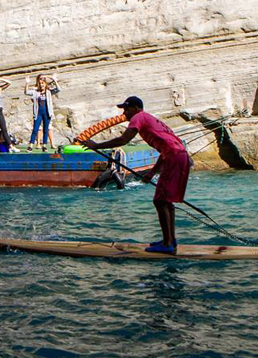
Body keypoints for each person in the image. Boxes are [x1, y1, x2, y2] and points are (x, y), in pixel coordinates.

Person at [81, 96, 192, 254]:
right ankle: (170, 240)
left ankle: (167, 244)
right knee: (165, 201)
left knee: (160, 201)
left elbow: (124, 139)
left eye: (127, 109)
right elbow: (165, 150)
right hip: (179, 156)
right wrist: (152, 173)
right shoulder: (150, 119)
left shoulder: (139, 117)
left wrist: (96, 145)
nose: (125, 113)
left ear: (136, 108)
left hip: (175, 157)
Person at [25, 74, 60, 152]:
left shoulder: (49, 92)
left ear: (45, 84)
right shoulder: (35, 92)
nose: (41, 85)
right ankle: (31, 145)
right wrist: (27, 83)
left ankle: (44, 145)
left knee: (45, 129)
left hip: (47, 113)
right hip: (38, 113)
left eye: (43, 83)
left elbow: (58, 89)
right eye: (40, 84)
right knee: (35, 129)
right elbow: (26, 92)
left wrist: (54, 80)